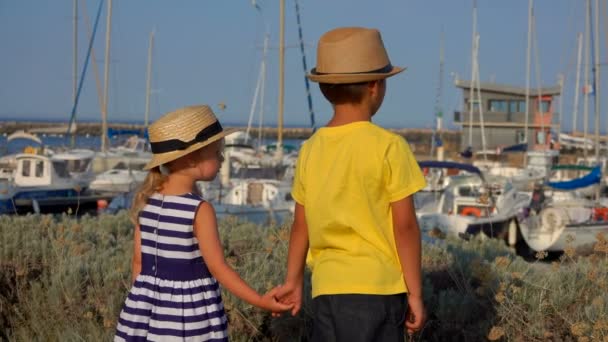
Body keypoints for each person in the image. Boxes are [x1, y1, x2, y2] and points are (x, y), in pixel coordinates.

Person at [275, 27, 427, 341]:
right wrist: (414, 292)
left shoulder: (310, 149)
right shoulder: (389, 146)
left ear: (326, 89)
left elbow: (300, 225)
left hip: (327, 290)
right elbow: (405, 227)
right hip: (378, 289)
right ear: (375, 86)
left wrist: (293, 280)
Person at [114, 105, 292, 341]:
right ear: (191, 158)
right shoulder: (199, 210)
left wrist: (148, 305)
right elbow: (219, 268)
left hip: (145, 316)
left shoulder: (147, 203)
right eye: (217, 152)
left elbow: (139, 263)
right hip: (188, 318)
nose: (222, 159)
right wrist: (260, 300)